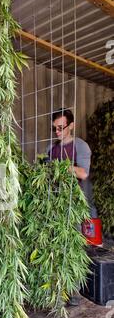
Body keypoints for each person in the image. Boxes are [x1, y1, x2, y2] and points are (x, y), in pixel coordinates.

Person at [47, 108, 92, 307]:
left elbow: (83, 173)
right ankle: (57, 289)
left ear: (71, 125)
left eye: (61, 127)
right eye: (55, 128)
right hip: (55, 205)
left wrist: (61, 165)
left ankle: (73, 292)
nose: (57, 132)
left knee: (72, 247)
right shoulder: (52, 148)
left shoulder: (80, 146)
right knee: (55, 246)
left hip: (74, 207)